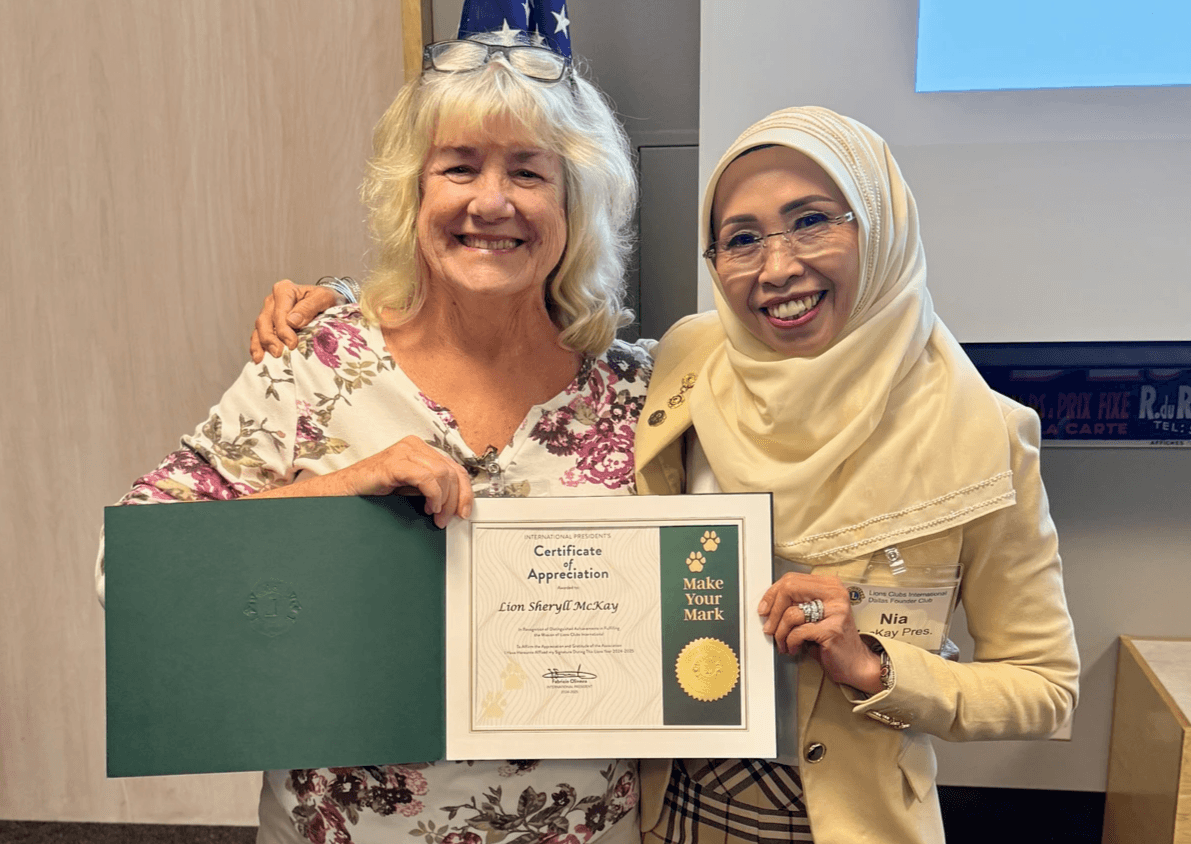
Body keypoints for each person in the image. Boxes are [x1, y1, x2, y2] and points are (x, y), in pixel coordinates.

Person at [247, 106, 1080, 843]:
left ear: (883, 226)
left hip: (844, 820)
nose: (778, 265)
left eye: (813, 221)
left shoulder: (987, 438)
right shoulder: (687, 367)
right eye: (742, 238)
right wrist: (344, 299)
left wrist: (882, 670)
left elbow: (1045, 688)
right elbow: (482, 300)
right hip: (658, 810)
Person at [99, 32, 647, 844]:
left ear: (577, 200)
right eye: (458, 166)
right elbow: (130, 575)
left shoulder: (643, 391)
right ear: (411, 193)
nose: (489, 202)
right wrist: (337, 493)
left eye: (527, 172)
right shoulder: (315, 365)